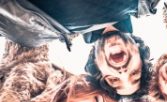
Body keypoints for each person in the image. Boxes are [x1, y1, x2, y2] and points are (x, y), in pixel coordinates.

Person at [0, 0, 157, 96]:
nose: (123, 72)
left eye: (114, 79)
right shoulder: (143, 2)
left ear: (97, 65)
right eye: (135, 73)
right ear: (138, 50)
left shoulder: (33, 34)